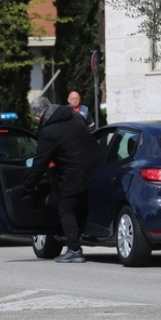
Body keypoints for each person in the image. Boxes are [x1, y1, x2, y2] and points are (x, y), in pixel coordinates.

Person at [25, 96, 102, 263]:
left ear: (38, 116)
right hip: (98, 164)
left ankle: (74, 250)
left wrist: (29, 184)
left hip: (77, 170)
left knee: (66, 207)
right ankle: (88, 233)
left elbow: (40, 163)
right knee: (83, 202)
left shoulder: (48, 132)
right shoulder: (73, 115)